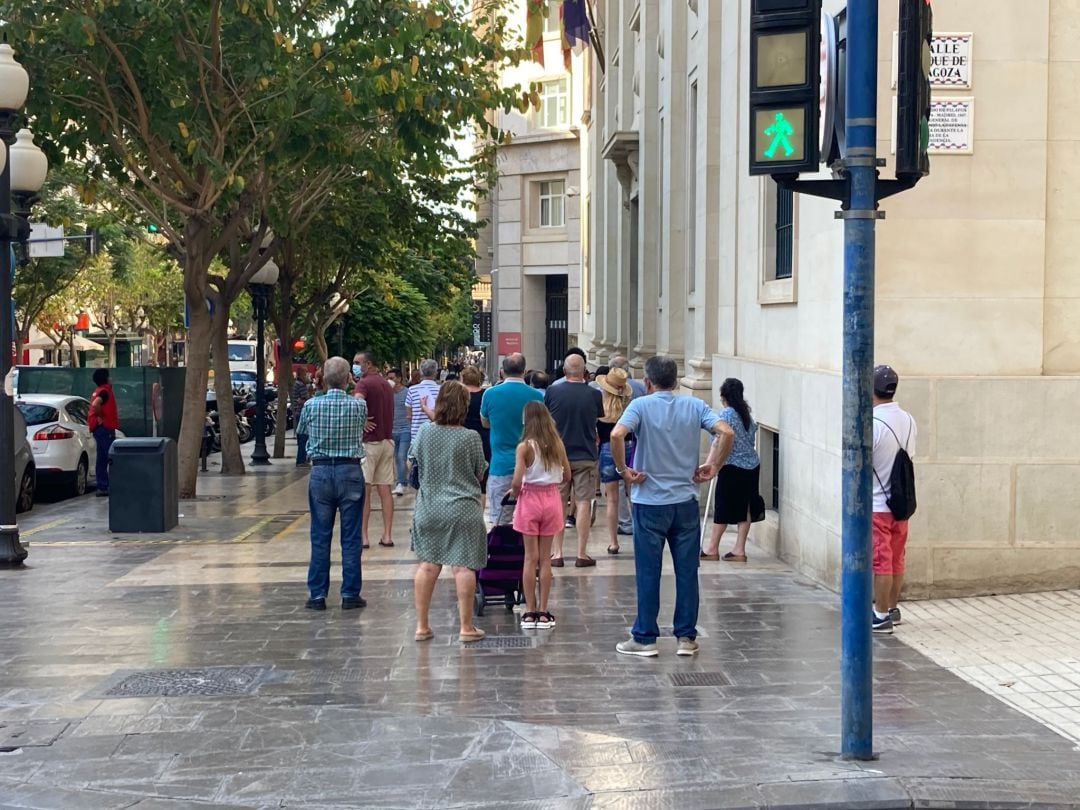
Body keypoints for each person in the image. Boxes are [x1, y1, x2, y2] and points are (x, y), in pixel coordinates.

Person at [610, 356, 734, 657]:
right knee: (687, 571)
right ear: (676, 381)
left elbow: (616, 434)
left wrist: (624, 470)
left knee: (648, 571)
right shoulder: (693, 406)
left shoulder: (640, 406)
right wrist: (713, 466)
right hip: (685, 500)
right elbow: (726, 431)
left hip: (649, 500)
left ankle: (645, 636)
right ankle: (685, 637)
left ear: (648, 382)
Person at [409, 382, 489, 643]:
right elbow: (480, 471)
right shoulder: (470, 437)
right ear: (464, 406)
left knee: (428, 565)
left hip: (429, 507)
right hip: (463, 508)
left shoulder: (424, 432)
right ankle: (466, 627)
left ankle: (422, 626)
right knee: (463, 567)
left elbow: (412, 461)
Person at [296, 357, 369, 612]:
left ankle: (317, 595)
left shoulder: (311, 405)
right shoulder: (358, 406)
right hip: (350, 470)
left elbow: (301, 431)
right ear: (349, 378)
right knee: (350, 537)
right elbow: (361, 429)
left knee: (320, 535)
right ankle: (350, 593)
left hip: (321, 471)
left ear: (323, 378)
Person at [509, 401, 572, 630]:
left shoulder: (525, 447)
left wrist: (514, 491)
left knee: (530, 558)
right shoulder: (557, 444)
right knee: (546, 559)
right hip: (552, 499)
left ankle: (529, 611)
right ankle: (544, 612)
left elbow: (517, 480)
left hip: (530, 499)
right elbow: (567, 476)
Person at [545, 354, 604, 567]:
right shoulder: (594, 394)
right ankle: (581, 553)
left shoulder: (552, 392)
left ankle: (557, 553)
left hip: (559, 455)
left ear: (564, 370)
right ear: (585, 372)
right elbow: (597, 419)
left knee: (558, 502)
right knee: (583, 502)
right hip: (586, 454)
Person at [871, 364, 918, 634]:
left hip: (878, 505)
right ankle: (892, 608)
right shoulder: (909, 419)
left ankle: (879, 615)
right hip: (901, 504)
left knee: (881, 561)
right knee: (897, 558)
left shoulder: (873, 424)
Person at [701, 378, 762, 563]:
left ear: (723, 396)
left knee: (723, 506)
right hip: (752, 465)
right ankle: (739, 550)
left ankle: (712, 548)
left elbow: (719, 441)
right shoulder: (747, 414)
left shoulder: (726, 414)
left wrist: (710, 464)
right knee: (746, 508)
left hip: (732, 466)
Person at [480, 353, 544, 523]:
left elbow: (485, 423)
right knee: (529, 522)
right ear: (524, 371)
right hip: (532, 468)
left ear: (502, 372)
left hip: (500, 466)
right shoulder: (537, 396)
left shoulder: (490, 394)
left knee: (500, 521)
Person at [353, 351, 396, 549]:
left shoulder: (364, 383)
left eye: (357, 362)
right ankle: (387, 535)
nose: (355, 366)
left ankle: (363, 536)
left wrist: (360, 421)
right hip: (387, 441)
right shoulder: (386, 384)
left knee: (365, 491)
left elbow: (358, 403)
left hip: (368, 443)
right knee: (385, 489)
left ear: (368, 364)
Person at [595, 367, 632, 554]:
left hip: (608, 449)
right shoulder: (629, 408)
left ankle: (613, 542)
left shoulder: (600, 409)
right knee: (633, 495)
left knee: (612, 499)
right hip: (629, 448)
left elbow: (597, 436)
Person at [461, 365, 492, 511]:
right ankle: (479, 516)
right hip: (483, 438)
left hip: (463, 437)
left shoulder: (460, 396)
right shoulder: (486, 394)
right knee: (482, 482)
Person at [88, 368, 119, 497]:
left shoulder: (98, 391)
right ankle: (107, 485)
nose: (111, 379)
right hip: (105, 428)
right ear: (105, 379)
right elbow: (96, 405)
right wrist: (101, 416)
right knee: (109, 457)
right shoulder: (105, 392)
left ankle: (102, 486)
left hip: (98, 429)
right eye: (109, 376)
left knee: (102, 458)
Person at [404, 359, 441, 451]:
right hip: (438, 436)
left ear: (421, 372)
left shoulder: (412, 390)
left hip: (417, 435)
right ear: (435, 373)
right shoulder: (441, 390)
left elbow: (409, 415)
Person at [387, 368, 410, 496]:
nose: (390, 380)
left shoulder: (407, 392)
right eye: (388, 378)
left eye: (392, 378)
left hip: (406, 429)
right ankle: (402, 480)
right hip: (392, 429)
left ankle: (401, 483)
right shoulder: (387, 393)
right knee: (397, 457)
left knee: (402, 456)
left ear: (399, 378)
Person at [292, 368, 312, 466]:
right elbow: (306, 399)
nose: (307, 376)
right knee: (303, 437)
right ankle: (301, 460)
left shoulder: (297, 384)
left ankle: (302, 459)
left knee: (301, 437)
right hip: (301, 412)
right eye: (305, 374)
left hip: (297, 412)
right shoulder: (301, 385)